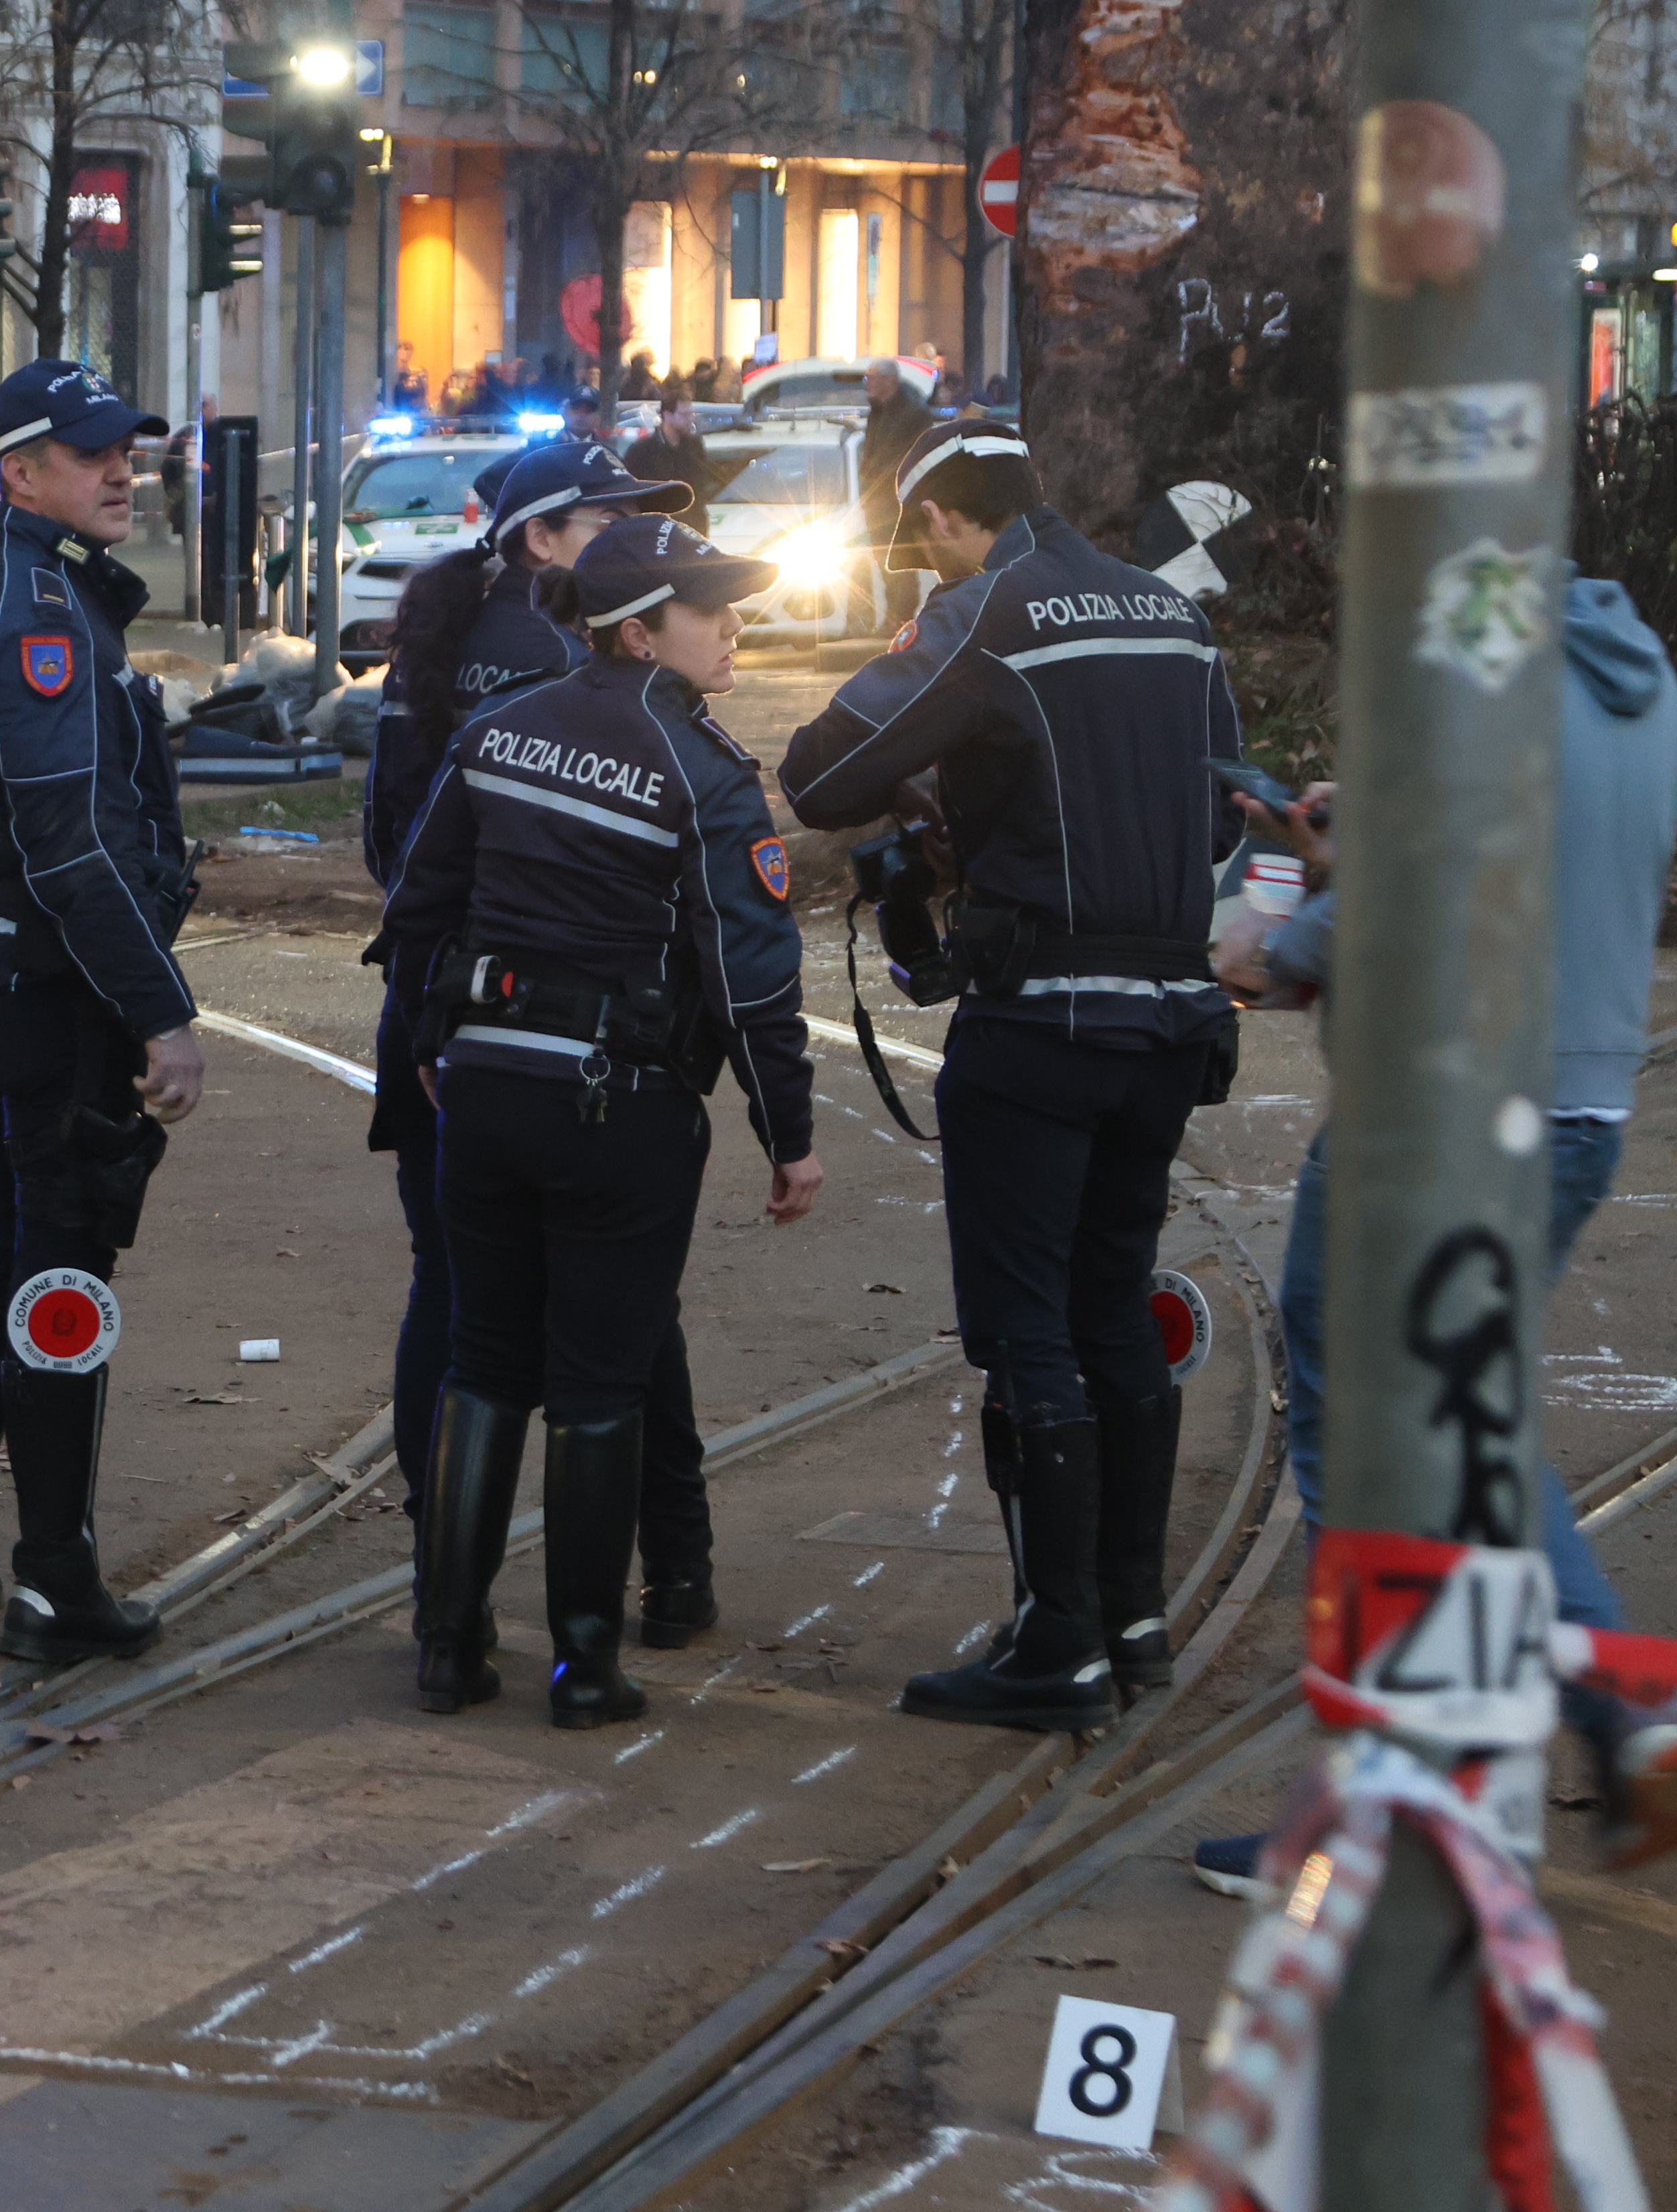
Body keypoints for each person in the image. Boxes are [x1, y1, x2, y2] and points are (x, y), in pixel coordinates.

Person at [1198, 571, 1677, 1876]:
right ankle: (1612, 1705)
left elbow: (1282, 955)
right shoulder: (1645, 686)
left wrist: (1305, 891)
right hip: (1576, 1117)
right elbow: (1524, 866)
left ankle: (1391, 1795)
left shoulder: (1471, 697)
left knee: (1366, 1453)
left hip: (1428, 1132)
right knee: (1475, 1423)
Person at [780, 421, 1241, 1732]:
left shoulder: (986, 617)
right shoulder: (1173, 615)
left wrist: (945, 796)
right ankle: (1132, 1618)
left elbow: (819, 777)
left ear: (937, 526)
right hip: (1169, 1024)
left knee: (1030, 1327)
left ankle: (1056, 1642)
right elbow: (1214, 817)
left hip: (1040, 1027)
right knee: (1112, 1306)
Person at [379, 514, 823, 1724]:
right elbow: (752, 979)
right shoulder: (705, 772)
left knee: (484, 1361)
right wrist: (790, 1132)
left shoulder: (499, 728)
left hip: (484, 1091)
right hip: (617, 1107)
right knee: (597, 1383)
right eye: (709, 607)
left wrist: (431, 1043)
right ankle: (585, 1665)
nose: (733, 626)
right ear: (639, 631)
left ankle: (449, 1646)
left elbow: (424, 902)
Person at [364, 440, 731, 1655]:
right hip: (579, 1052)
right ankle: (646, 1591)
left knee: (465, 1319)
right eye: (614, 522)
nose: (643, 545)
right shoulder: (559, 673)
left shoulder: (445, 645)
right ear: (545, 543)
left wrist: (433, 1014)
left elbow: (398, 855)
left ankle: (447, 1604)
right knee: (613, 1340)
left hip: (457, 1036)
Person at [0, 356, 203, 1667]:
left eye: (125, 448)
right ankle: (54, 1582)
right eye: (91, 454)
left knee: (22, 1252)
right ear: (21, 471)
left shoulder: (24, 580)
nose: (121, 468)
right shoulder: (40, 608)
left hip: (3, 965)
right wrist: (164, 1010)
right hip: (45, 978)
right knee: (65, 1271)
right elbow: (71, 842)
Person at [855, 359, 937, 546]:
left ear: (889, 381)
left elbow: (919, 455)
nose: (868, 383)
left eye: (872, 378)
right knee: (883, 561)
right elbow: (871, 453)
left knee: (899, 562)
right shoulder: (877, 411)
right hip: (877, 504)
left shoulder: (913, 412)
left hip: (900, 505)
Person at [622, 403, 714, 531]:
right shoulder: (642, 452)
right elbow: (631, 491)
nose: (690, 419)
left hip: (693, 528)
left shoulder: (695, 447)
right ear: (667, 415)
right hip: (654, 529)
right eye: (684, 415)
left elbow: (702, 484)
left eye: (691, 414)